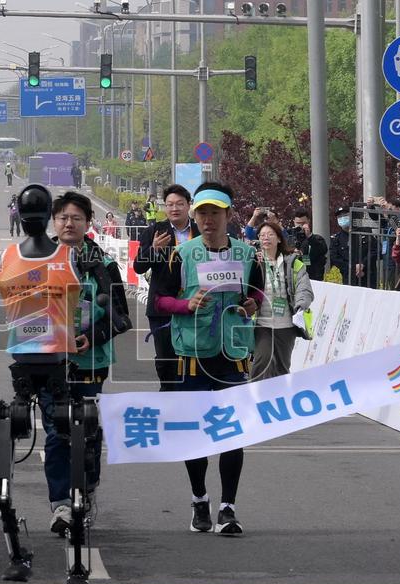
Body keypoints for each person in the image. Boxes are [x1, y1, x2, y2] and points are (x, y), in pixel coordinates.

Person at [153, 182, 263, 536]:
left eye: (215, 212)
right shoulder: (180, 255)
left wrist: (252, 304)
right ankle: (200, 499)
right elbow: (159, 300)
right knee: (195, 435)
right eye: (201, 212)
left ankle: (227, 508)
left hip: (232, 356)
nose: (207, 219)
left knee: (232, 434)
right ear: (194, 215)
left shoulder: (248, 256)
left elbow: (258, 293)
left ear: (229, 216)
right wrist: (186, 305)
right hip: (192, 355)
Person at [42, 191, 131, 533]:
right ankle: (61, 504)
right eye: (63, 217)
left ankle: (88, 487)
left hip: (91, 361)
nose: (68, 223)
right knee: (55, 432)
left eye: (76, 218)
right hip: (48, 362)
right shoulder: (38, 258)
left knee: (89, 431)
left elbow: (121, 315)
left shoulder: (104, 263)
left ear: (88, 223)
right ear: (54, 221)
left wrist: (90, 337)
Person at [134, 184, 199, 392]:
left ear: (189, 205)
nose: (174, 208)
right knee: (166, 357)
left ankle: (191, 396)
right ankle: (168, 394)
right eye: (169, 204)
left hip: (195, 304)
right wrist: (153, 250)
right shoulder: (155, 231)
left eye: (180, 204)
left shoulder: (200, 232)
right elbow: (138, 267)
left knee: (193, 355)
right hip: (162, 306)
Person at [249, 220, 313, 381]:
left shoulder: (294, 264)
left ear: (279, 238)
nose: (266, 238)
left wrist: (301, 305)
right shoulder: (254, 262)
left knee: (282, 368)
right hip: (262, 323)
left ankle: (280, 401)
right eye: (262, 235)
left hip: (286, 325)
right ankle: (255, 400)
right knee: (262, 362)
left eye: (270, 234)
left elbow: (304, 288)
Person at [290, 208, 328, 281]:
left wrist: (309, 236)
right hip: (294, 279)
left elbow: (322, 250)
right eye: (298, 223)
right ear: (294, 222)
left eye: (303, 223)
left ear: (308, 222)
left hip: (313, 279)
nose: (300, 226)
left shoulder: (316, 238)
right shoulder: (290, 240)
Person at [330, 206, 351, 284]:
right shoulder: (336, 239)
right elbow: (334, 257)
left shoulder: (362, 234)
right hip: (347, 277)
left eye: (345, 215)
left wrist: (362, 265)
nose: (342, 218)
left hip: (366, 276)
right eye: (339, 216)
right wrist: (351, 268)